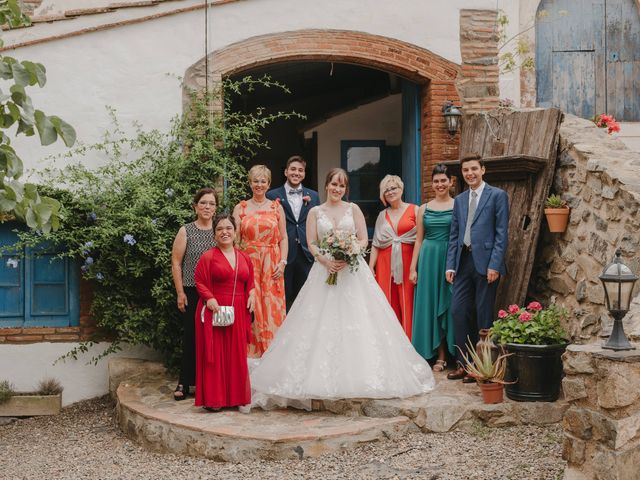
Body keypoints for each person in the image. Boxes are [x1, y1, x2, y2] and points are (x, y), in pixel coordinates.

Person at [248, 168, 435, 410]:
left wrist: (350, 253)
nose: (337, 189)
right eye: (334, 184)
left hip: (352, 273)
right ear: (326, 185)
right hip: (324, 272)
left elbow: (363, 239)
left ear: (345, 189)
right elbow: (312, 244)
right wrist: (326, 261)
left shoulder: (353, 209)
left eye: (342, 186)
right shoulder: (315, 212)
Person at [445, 154, 509, 382]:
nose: (470, 173)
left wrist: (495, 264)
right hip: (463, 262)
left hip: (486, 265)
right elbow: (454, 235)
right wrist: (450, 265)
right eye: (465, 170)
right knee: (458, 311)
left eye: (474, 169)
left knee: (483, 314)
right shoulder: (460, 200)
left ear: (483, 170)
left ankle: (482, 367)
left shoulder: (498, 196)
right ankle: (463, 364)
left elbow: (502, 234)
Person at [194, 214, 256, 410]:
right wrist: (209, 298)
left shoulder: (243, 256)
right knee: (216, 354)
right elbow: (199, 281)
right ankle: (215, 400)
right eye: (220, 229)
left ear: (235, 232)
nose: (225, 232)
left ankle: (237, 398)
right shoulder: (208, 257)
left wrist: (252, 293)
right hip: (216, 309)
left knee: (236, 354)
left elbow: (250, 280)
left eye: (228, 228)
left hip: (238, 309)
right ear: (214, 234)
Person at [233, 165, 287, 358]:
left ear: (269, 184)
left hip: (272, 263)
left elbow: (283, 238)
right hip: (248, 262)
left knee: (272, 305)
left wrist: (282, 263)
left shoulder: (276, 207)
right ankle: (251, 353)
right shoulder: (241, 207)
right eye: (255, 181)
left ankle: (273, 353)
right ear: (249, 183)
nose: (259, 184)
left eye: (263, 181)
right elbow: (235, 240)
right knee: (251, 304)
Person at [170, 187, 217, 400]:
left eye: (211, 204)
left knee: (215, 338)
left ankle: (208, 382)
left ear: (216, 208)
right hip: (192, 290)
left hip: (217, 293)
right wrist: (180, 292)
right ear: (195, 206)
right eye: (203, 203)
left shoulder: (220, 229)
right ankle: (184, 382)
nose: (207, 207)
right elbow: (176, 262)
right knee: (191, 337)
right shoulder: (186, 230)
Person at [409, 164, 455, 371]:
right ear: (432, 184)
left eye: (443, 180)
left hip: (448, 257)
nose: (440, 184)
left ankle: (452, 354)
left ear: (451, 182)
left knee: (449, 305)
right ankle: (438, 355)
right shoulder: (423, 208)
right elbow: (419, 240)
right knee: (429, 305)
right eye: (436, 181)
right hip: (428, 259)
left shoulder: (458, 205)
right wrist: (413, 268)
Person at [266, 155, 320, 310]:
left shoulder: (314, 196)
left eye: (300, 170)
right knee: (282, 297)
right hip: (282, 256)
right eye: (293, 169)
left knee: (307, 298)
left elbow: (318, 223)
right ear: (286, 172)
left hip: (307, 254)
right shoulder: (272, 196)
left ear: (304, 174)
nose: (297, 173)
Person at [369, 175, 417, 339]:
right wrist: (370, 267)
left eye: (393, 188)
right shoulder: (382, 215)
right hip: (384, 263)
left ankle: (409, 342)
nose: (390, 192)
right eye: (386, 190)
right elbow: (376, 243)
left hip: (408, 262)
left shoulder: (415, 210)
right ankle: (391, 343)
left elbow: (420, 240)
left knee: (407, 301)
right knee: (387, 301)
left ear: (401, 189)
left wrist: (416, 266)